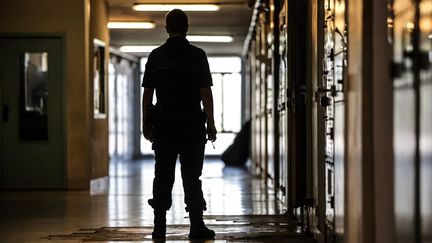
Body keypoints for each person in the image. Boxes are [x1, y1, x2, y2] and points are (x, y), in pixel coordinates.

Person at [141, 9, 217, 240]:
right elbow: (205, 92)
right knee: (191, 176)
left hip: (164, 125)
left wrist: (146, 123)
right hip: (192, 124)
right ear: (187, 27)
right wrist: (211, 123)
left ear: (166, 28)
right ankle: (196, 227)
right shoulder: (197, 55)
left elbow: (148, 94)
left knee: (162, 174)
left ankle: (159, 228)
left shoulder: (156, 56)